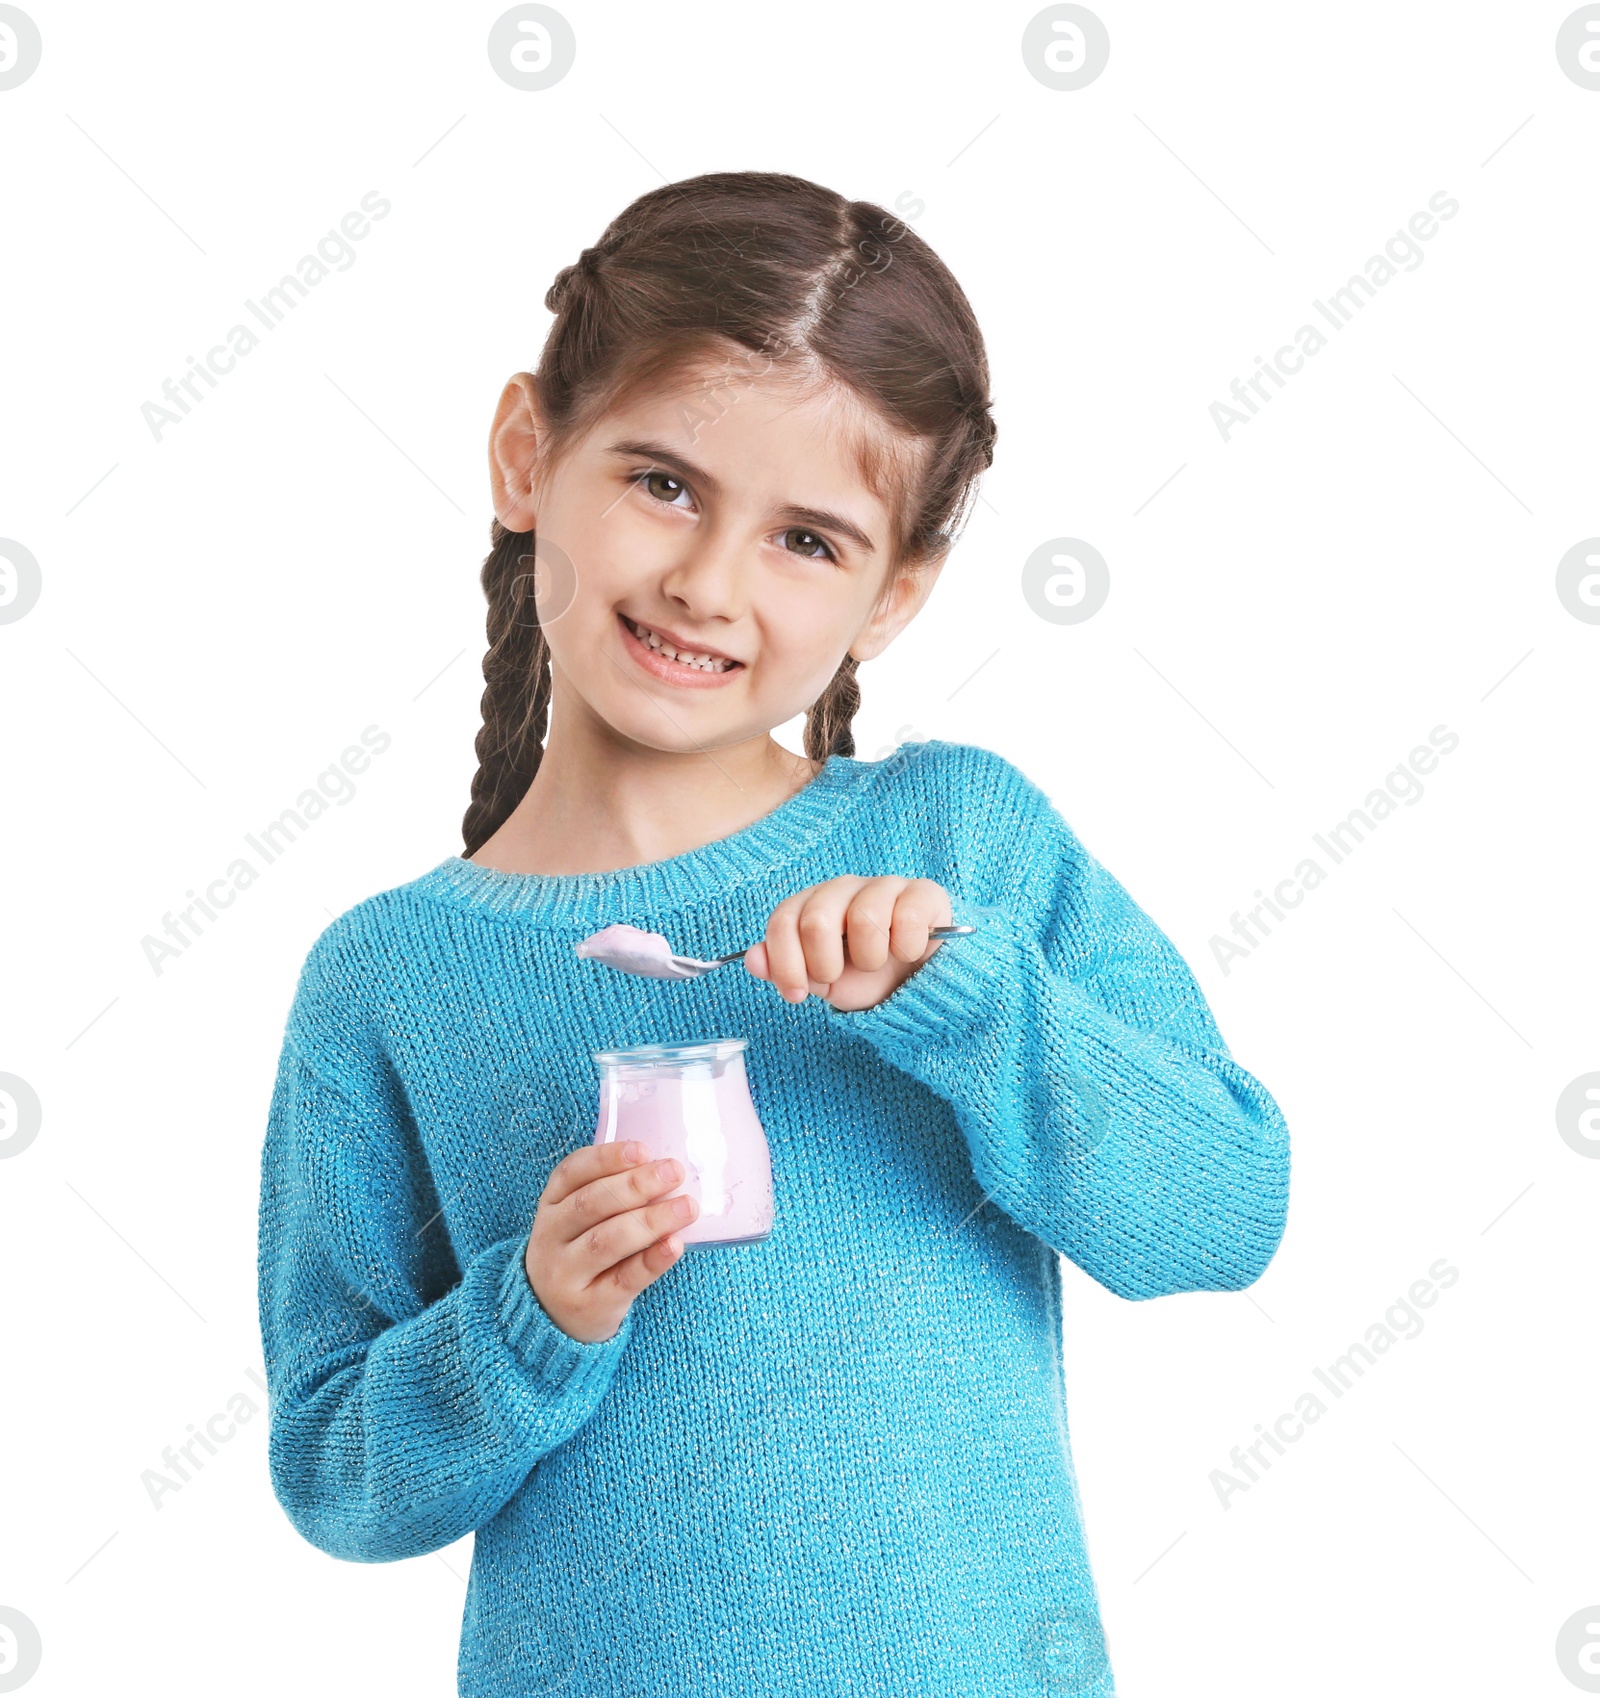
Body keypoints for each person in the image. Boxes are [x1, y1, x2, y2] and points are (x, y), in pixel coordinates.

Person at [256, 169, 1291, 1696]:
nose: (706, 580)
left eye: (807, 538)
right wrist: (525, 1319)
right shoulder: (387, 977)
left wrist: (978, 1005)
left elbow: (1225, 1208)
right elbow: (338, 1470)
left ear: (896, 593)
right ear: (528, 453)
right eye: (663, 481)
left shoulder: (960, 847)